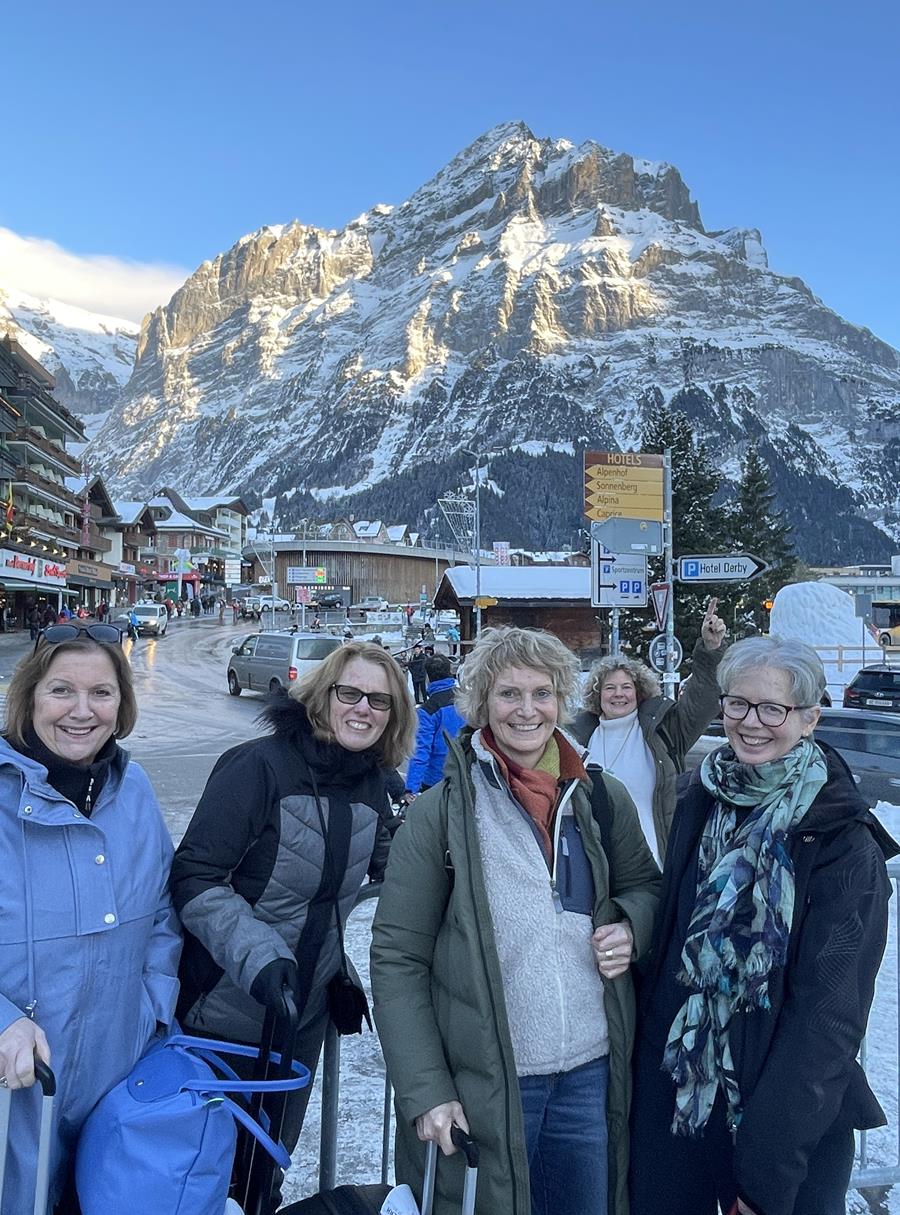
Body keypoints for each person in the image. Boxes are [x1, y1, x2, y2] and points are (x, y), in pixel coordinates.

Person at [371, 627, 661, 1215]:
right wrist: (426, 1089)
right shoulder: (440, 815)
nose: (527, 710)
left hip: (589, 1076)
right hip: (488, 1083)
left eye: (542, 693)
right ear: (482, 703)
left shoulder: (601, 799)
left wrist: (632, 927)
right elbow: (399, 957)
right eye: (509, 694)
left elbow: (647, 888)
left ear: (561, 700)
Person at [629, 635, 897, 1215]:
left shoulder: (843, 842)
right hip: (678, 1109)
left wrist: (764, 1181)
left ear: (809, 719)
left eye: (773, 708)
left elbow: (826, 1020)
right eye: (738, 704)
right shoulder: (697, 799)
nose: (752, 723)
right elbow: (670, 949)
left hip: (781, 1130)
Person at [172, 642, 416, 1170]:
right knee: (205, 1176)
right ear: (321, 695)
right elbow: (196, 876)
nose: (363, 709)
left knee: (266, 1170)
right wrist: (258, 955)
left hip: (301, 1018)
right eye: (349, 693)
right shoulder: (258, 767)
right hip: (224, 1012)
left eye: (380, 700)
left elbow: (393, 864)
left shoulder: (369, 782)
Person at [0, 622, 181, 1213]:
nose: (82, 711)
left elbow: (161, 911)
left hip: (113, 1086)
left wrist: (151, 1008)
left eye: (101, 693)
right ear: (29, 697)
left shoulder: (133, 790)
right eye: (62, 691)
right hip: (12, 1091)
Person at [573, 599, 726, 864]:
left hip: (655, 865)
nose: (618, 694)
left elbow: (704, 697)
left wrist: (710, 650)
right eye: (609, 688)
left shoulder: (664, 731)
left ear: (639, 692)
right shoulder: (577, 738)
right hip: (596, 868)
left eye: (626, 687)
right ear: (597, 695)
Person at [403, 655, 465, 800]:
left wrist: (411, 788)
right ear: (450, 671)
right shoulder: (466, 699)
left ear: (428, 677)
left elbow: (421, 751)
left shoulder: (428, 710)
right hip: (465, 773)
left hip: (436, 780)